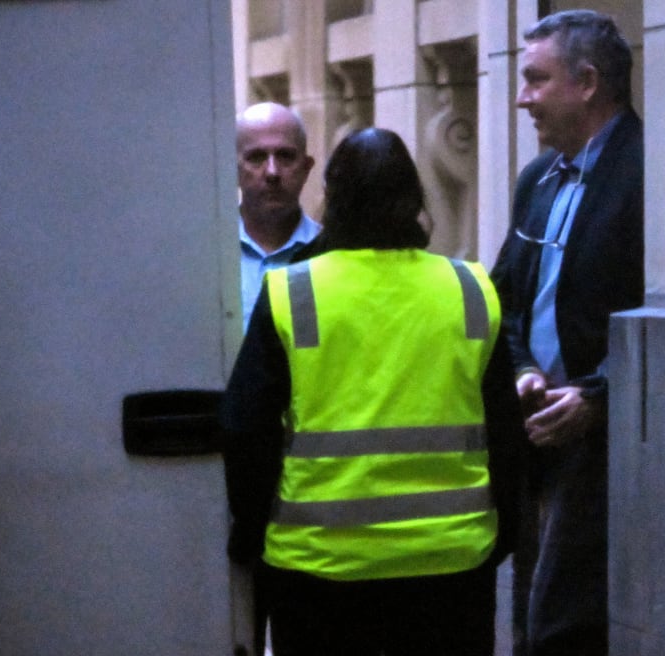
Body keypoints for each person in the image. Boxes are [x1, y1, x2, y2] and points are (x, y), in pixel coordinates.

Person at [221, 127, 526, 656]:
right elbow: (505, 428)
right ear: (413, 199)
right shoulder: (471, 289)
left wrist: (250, 535)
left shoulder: (294, 291)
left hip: (319, 569)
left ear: (333, 197)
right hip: (450, 566)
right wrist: (506, 531)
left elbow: (246, 429)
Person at [490, 10, 644, 656]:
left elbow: (649, 314)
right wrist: (523, 367)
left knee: (563, 626)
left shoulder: (647, 173)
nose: (522, 97)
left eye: (535, 79)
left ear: (586, 82)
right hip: (536, 437)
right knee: (531, 616)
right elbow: (507, 300)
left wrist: (596, 395)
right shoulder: (539, 178)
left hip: (606, 446)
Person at [236, 102, 322, 329]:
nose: (272, 172)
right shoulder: (206, 255)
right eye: (256, 157)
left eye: (285, 156)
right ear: (232, 169)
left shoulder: (328, 253)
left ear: (306, 168)